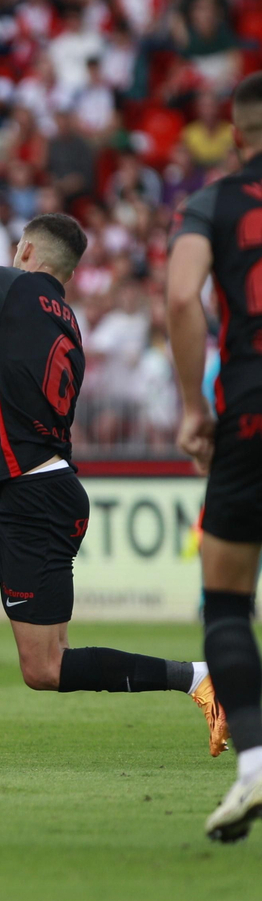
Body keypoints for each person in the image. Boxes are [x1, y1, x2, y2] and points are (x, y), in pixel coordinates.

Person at [0, 213, 225, 767]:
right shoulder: (68, 320)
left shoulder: (1, 282)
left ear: (25, 251)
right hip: (19, 488)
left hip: (34, 496)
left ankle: (197, 677)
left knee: (45, 669)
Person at [166, 70, 262, 841]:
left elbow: (178, 297)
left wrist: (196, 408)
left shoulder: (214, 202)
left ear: (236, 134)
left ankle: (256, 765)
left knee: (227, 600)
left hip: (251, 416)